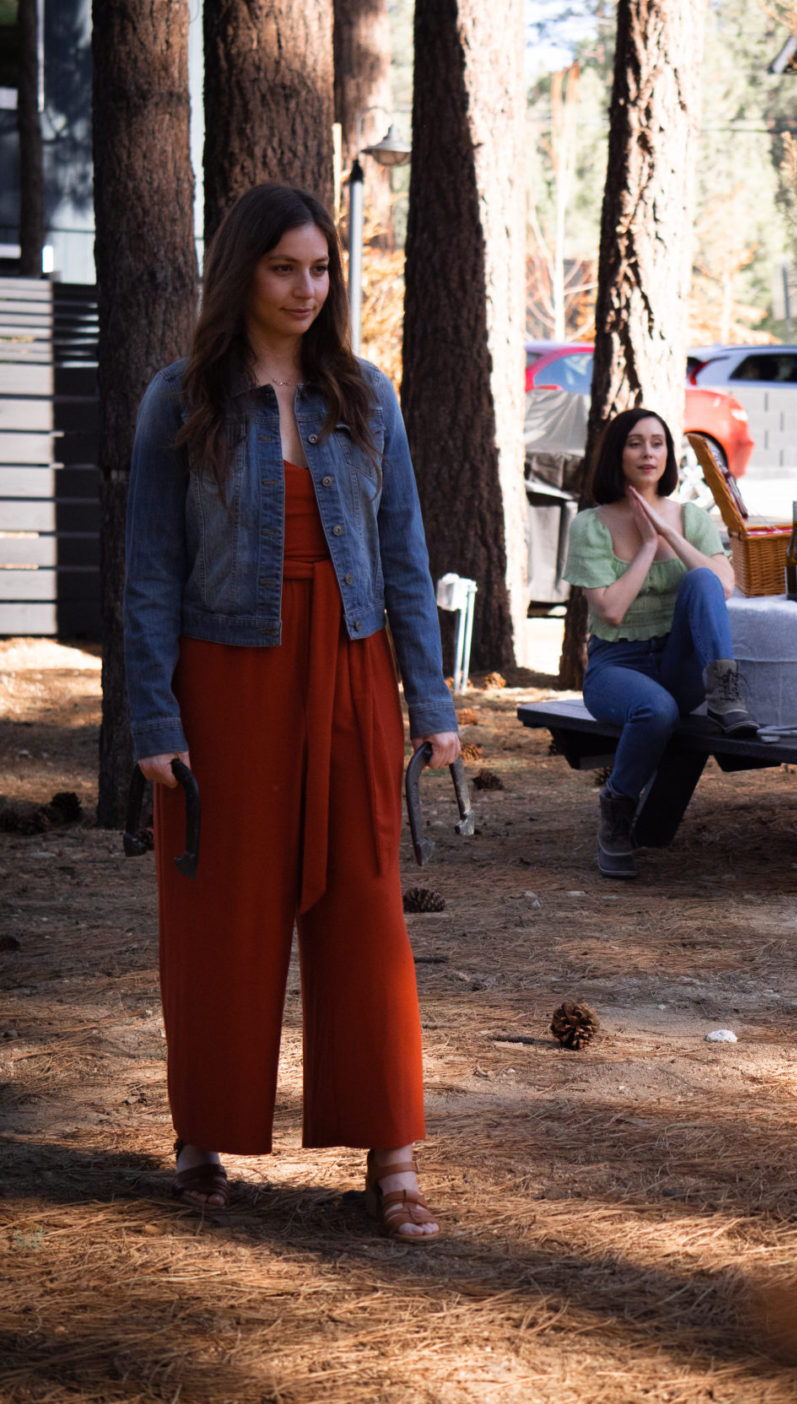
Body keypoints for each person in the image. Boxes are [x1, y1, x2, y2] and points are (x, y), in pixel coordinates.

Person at [124, 182, 459, 1238]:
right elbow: (148, 573)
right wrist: (154, 719)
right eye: (284, 268)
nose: (307, 287)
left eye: (319, 268)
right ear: (243, 273)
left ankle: (392, 1154)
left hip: (353, 673)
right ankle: (202, 1138)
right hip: (226, 679)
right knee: (221, 912)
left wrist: (431, 699)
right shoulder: (180, 399)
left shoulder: (367, 397)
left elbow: (405, 558)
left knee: (365, 909)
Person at [562, 408, 757, 880]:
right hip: (617, 666)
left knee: (703, 581)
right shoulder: (591, 524)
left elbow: (722, 586)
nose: (648, 453)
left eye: (657, 443)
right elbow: (610, 610)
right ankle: (617, 809)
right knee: (656, 710)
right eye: (635, 443)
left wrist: (669, 532)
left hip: (679, 663)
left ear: (668, 454)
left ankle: (725, 695)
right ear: (617, 453)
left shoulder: (691, 517)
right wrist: (648, 546)